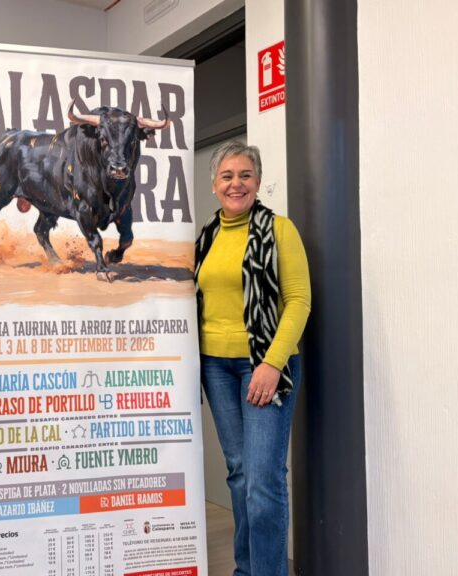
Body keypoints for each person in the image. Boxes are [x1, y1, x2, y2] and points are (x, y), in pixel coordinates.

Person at [195, 141, 310, 576]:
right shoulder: (205, 236)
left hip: (264, 366)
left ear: (257, 182)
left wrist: (271, 362)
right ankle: (247, 570)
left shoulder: (279, 230)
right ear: (214, 184)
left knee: (263, 483)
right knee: (240, 475)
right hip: (215, 367)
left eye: (244, 175)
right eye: (227, 176)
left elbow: (298, 301)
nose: (236, 183)